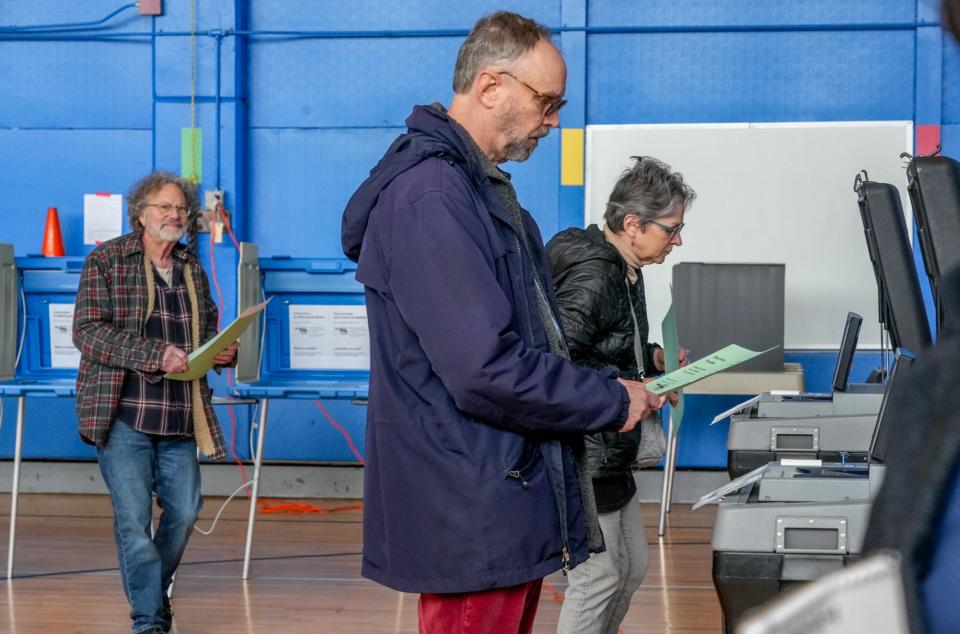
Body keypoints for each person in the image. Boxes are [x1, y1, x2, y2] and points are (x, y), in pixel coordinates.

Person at [340, 11, 662, 634]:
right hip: (472, 500)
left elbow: (525, 342)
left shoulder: (472, 191)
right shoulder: (433, 197)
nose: (554, 119)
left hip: (496, 487)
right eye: (547, 101)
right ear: (491, 87)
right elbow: (485, 368)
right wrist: (606, 398)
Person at [72, 171, 238, 634]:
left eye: (181, 209)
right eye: (164, 207)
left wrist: (223, 351)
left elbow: (203, 334)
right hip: (123, 414)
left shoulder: (191, 267)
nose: (175, 216)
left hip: (180, 415)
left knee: (185, 513)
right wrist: (153, 354)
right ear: (140, 213)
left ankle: (151, 593)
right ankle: (149, 618)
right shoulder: (106, 261)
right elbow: (86, 332)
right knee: (134, 523)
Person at [547, 157, 694, 634]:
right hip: (585, 450)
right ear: (632, 224)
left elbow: (603, 341)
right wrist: (627, 385)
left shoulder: (628, 267)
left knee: (631, 570)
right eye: (671, 230)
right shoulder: (596, 273)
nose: (677, 241)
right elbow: (558, 363)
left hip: (610, 448)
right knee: (598, 577)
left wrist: (650, 358)